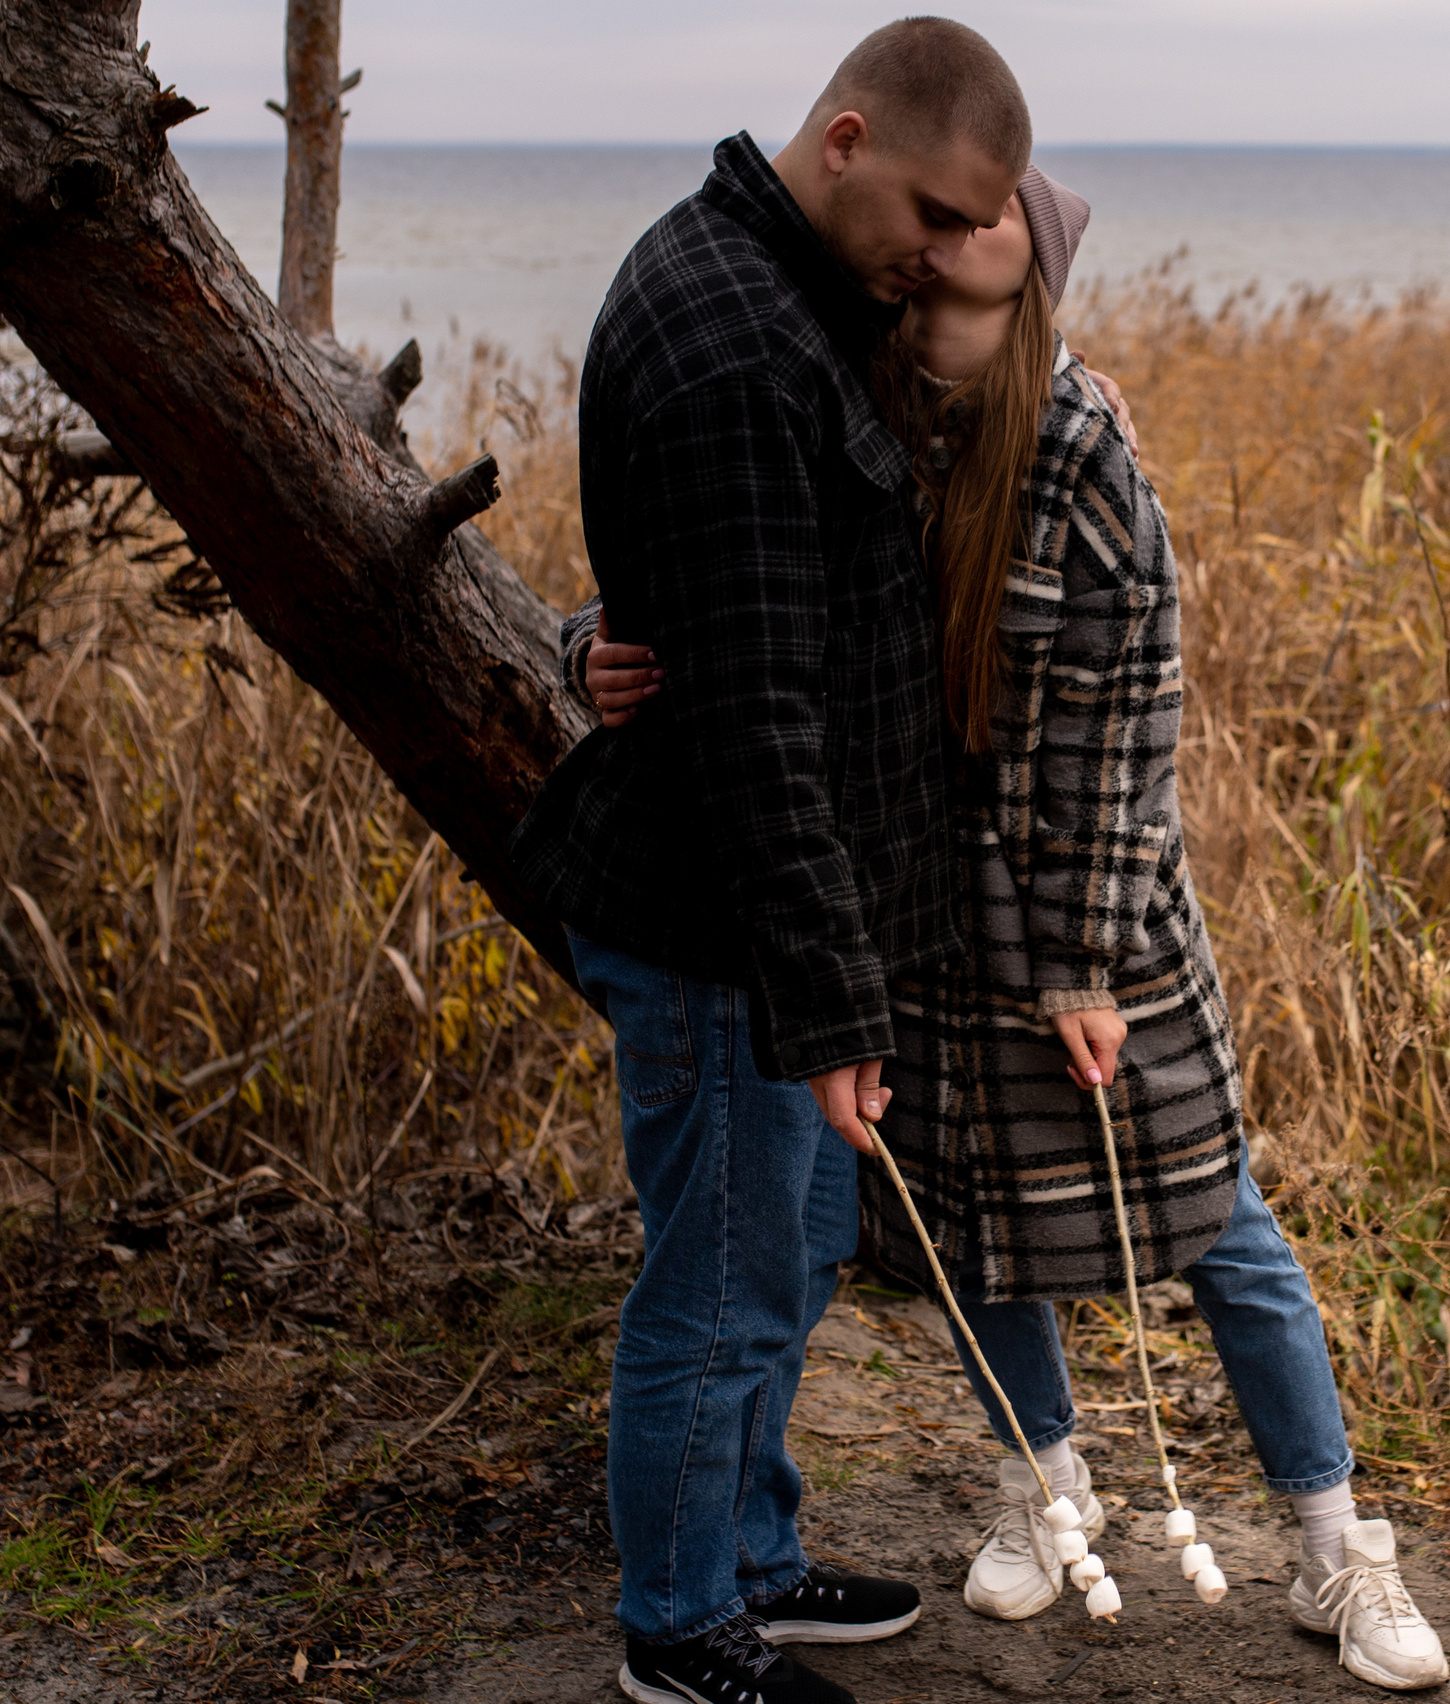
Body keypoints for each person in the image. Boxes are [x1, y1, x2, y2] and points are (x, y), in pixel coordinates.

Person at [568, 166, 1450, 1692]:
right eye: (923, 253)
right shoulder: (855, 391)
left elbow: (1131, 728)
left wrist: (1084, 959)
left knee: (1219, 1219)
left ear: (1030, 280)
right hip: (915, 922)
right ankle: (1045, 1492)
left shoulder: (1082, 448)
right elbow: (737, 588)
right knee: (979, 1224)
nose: (932, 275)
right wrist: (586, 642)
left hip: (1087, 923)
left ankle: (1335, 1544)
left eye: (969, 256)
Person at [509, 20, 1043, 1704]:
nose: (945, 256)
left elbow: (730, 603)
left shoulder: (800, 287)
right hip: (720, 931)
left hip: (780, 932)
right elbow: (754, 725)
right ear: (848, 139)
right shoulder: (739, 339)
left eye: (973, 228)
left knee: (788, 1261)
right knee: (725, 1287)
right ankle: (679, 1627)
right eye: (937, 216)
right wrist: (834, 1003)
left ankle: (748, 1553)